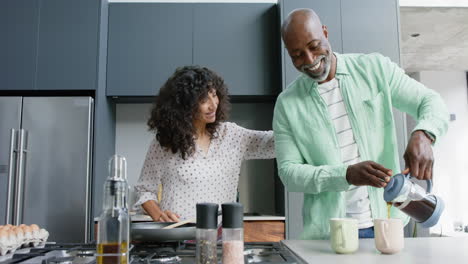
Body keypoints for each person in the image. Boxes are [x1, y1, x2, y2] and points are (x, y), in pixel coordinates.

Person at [273, 9, 449, 239]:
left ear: (325, 32)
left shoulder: (374, 69)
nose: (309, 60)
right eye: (297, 55)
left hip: (388, 226)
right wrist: (345, 175)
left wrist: (425, 133)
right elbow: (289, 173)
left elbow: (430, 101)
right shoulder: (287, 104)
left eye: (314, 46)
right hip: (328, 235)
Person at [133, 66, 275, 222]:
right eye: (203, 100)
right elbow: (144, 190)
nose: (213, 105)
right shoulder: (165, 143)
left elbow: (275, 143)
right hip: (178, 237)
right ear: (184, 105)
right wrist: (159, 215)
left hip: (222, 236)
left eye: (214, 95)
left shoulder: (232, 135)